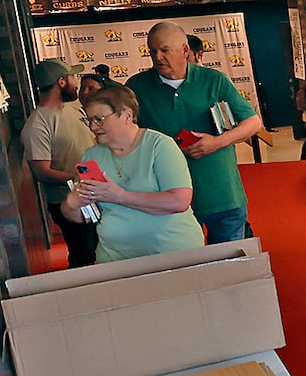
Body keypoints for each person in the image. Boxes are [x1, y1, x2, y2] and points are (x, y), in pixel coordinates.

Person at [128, 21, 263, 243]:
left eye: (164, 50)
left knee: (230, 269)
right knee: (186, 270)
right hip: (168, 199)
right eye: (152, 51)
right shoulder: (136, 87)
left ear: (184, 50)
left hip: (222, 194)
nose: (157, 57)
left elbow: (252, 122)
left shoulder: (214, 80)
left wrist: (217, 142)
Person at [64, 85, 205, 263]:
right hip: (114, 258)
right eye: (88, 121)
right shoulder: (91, 156)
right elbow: (82, 216)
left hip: (173, 255)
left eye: (99, 119)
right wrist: (71, 204)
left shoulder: (160, 145)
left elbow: (179, 201)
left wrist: (120, 196)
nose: (93, 127)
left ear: (127, 116)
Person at [23, 59, 99, 267]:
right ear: (62, 82)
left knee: (102, 248)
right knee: (83, 255)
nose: (77, 83)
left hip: (94, 193)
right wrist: (80, 178)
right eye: (73, 77)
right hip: (68, 202)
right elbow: (42, 172)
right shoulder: (37, 125)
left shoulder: (74, 109)